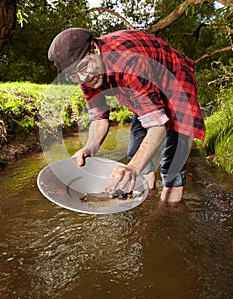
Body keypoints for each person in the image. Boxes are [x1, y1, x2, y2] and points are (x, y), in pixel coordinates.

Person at [48, 28, 205, 203]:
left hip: (174, 84)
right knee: (135, 153)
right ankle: (147, 196)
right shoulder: (85, 74)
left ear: (94, 48)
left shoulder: (129, 60)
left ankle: (170, 212)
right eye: (73, 75)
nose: (83, 78)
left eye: (84, 67)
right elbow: (99, 118)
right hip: (142, 89)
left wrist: (132, 169)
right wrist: (89, 148)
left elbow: (157, 128)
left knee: (171, 165)